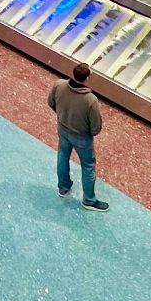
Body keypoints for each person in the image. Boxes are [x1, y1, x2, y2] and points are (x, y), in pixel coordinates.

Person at [48, 62, 108, 212]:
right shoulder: (90, 100)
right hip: (82, 137)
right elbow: (95, 127)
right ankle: (88, 200)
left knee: (62, 156)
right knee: (88, 166)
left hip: (63, 129)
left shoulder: (59, 85)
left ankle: (63, 187)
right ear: (87, 78)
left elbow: (51, 102)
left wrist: (63, 117)